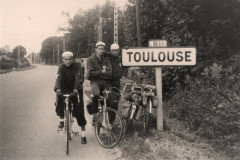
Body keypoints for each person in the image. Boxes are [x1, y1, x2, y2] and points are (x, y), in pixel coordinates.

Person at [54, 51, 87, 144]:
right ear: (62, 60)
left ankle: (83, 135)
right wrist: (57, 89)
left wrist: (76, 89)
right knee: (60, 99)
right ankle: (61, 120)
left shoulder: (77, 65)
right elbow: (58, 78)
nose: (68, 61)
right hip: (64, 89)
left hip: (76, 89)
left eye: (70, 59)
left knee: (79, 110)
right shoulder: (61, 67)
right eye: (66, 59)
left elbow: (78, 77)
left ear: (73, 59)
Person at [86, 41, 112, 124]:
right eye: (99, 49)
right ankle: (94, 114)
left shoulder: (106, 59)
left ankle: (109, 121)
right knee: (96, 94)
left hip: (105, 81)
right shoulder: (90, 59)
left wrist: (97, 73)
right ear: (96, 50)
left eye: (102, 49)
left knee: (111, 98)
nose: (101, 50)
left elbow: (110, 72)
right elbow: (90, 73)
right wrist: (102, 72)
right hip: (95, 81)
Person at [107, 43, 124, 122]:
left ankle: (111, 122)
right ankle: (105, 118)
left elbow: (128, 62)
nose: (114, 52)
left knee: (116, 103)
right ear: (110, 51)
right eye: (113, 51)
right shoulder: (108, 57)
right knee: (110, 101)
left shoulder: (121, 59)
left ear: (119, 50)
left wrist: (127, 49)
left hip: (117, 83)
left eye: (116, 50)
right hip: (108, 82)